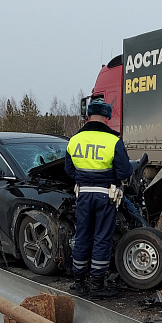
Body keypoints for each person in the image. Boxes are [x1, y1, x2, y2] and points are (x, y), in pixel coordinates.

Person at [64, 100, 132, 299]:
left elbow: (69, 170)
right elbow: (124, 171)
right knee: (101, 237)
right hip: (105, 196)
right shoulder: (113, 141)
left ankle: (79, 282)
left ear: (88, 116)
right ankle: (97, 285)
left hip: (83, 195)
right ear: (107, 117)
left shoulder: (74, 140)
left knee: (82, 235)